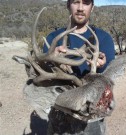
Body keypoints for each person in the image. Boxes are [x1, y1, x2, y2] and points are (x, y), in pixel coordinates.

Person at [43, 0, 115, 134]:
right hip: (60, 114)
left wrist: (101, 68)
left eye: (86, 3)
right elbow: (43, 83)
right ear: (68, 5)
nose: (80, 8)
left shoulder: (104, 39)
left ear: (92, 7)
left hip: (91, 115)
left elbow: (109, 87)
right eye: (76, 2)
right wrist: (51, 63)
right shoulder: (53, 39)